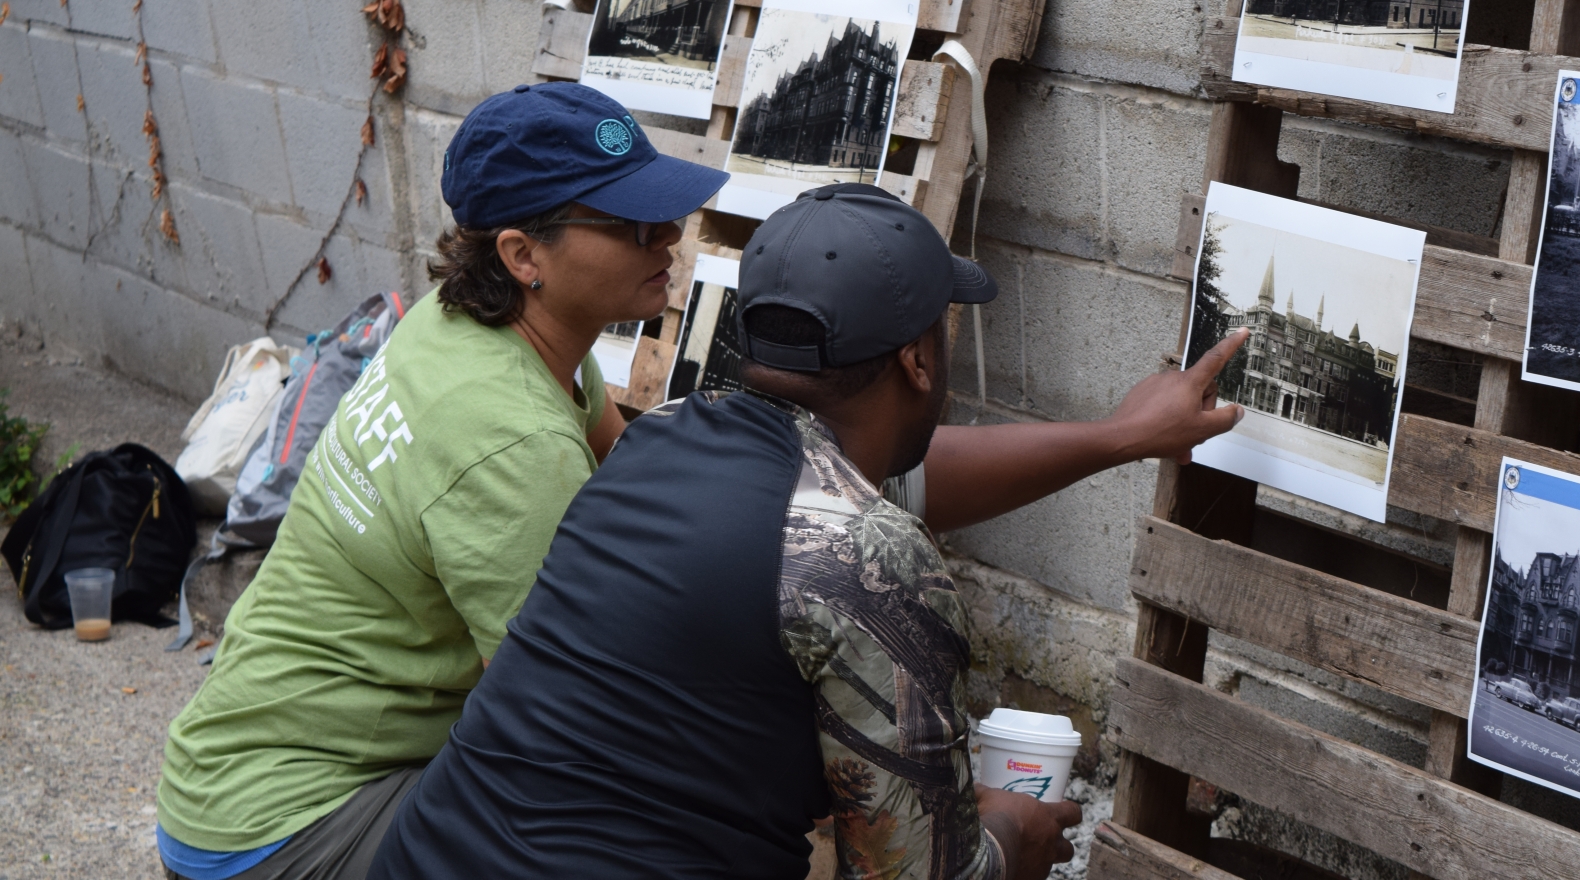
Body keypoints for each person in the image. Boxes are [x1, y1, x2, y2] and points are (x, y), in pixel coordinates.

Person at [369, 185, 1249, 879]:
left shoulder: (664, 440)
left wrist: (1119, 438)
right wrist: (1009, 835)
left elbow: (885, 485)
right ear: (916, 360)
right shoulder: (868, 559)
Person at [156, 83, 733, 880]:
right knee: (647, 811)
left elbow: (644, 481)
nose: (667, 235)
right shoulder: (511, 438)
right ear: (522, 254)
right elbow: (561, 721)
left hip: (223, 769)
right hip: (281, 828)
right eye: (632, 223)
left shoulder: (465, 324)